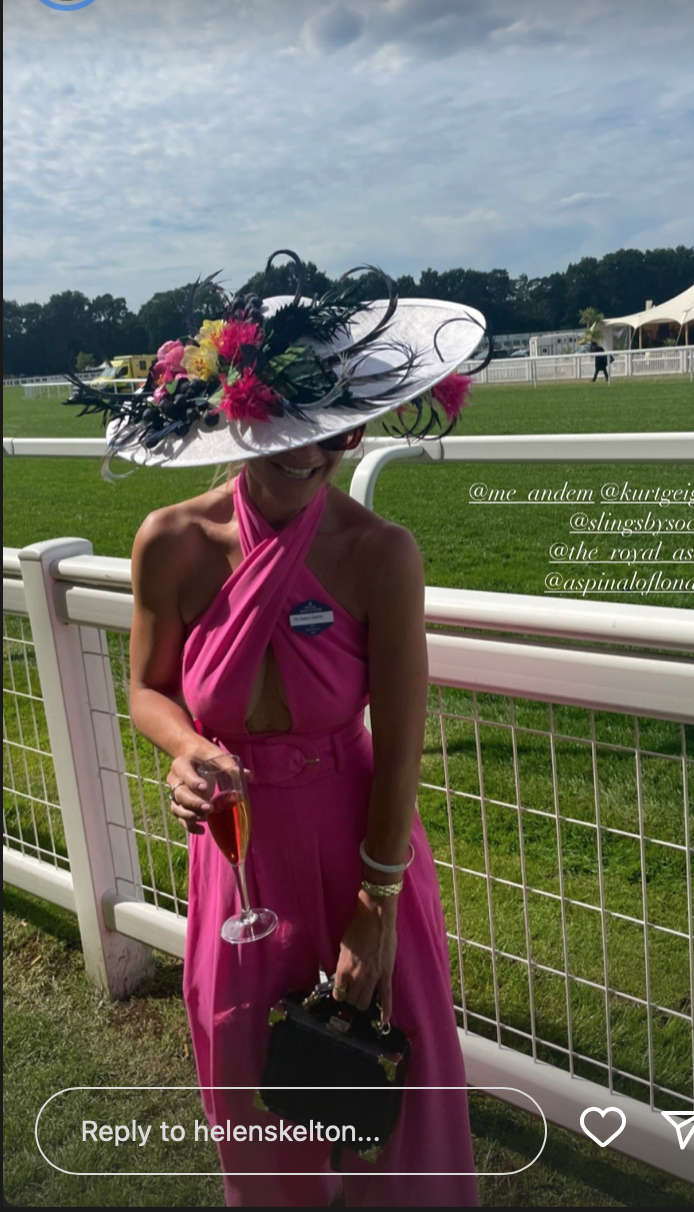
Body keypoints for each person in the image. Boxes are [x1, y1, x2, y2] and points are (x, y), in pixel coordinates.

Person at [70, 253, 487, 1207]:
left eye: (333, 434)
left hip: (361, 847)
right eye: (286, 430)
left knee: (395, 1101)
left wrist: (376, 909)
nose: (308, 454)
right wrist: (186, 751)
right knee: (255, 1089)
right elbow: (147, 690)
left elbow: (403, 739)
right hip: (238, 853)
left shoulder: (380, 554)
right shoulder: (170, 539)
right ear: (235, 411)